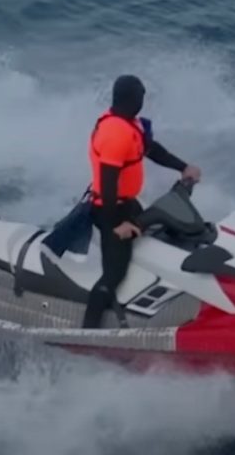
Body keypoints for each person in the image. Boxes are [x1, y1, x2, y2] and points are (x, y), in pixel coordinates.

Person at [75, 74, 201, 328]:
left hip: (127, 204)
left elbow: (153, 150)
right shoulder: (115, 134)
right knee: (114, 273)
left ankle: (147, 302)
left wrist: (183, 167)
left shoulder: (131, 125)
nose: (145, 100)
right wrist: (115, 226)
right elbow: (108, 183)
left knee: (154, 241)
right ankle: (88, 329)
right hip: (109, 209)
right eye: (142, 96)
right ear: (132, 99)